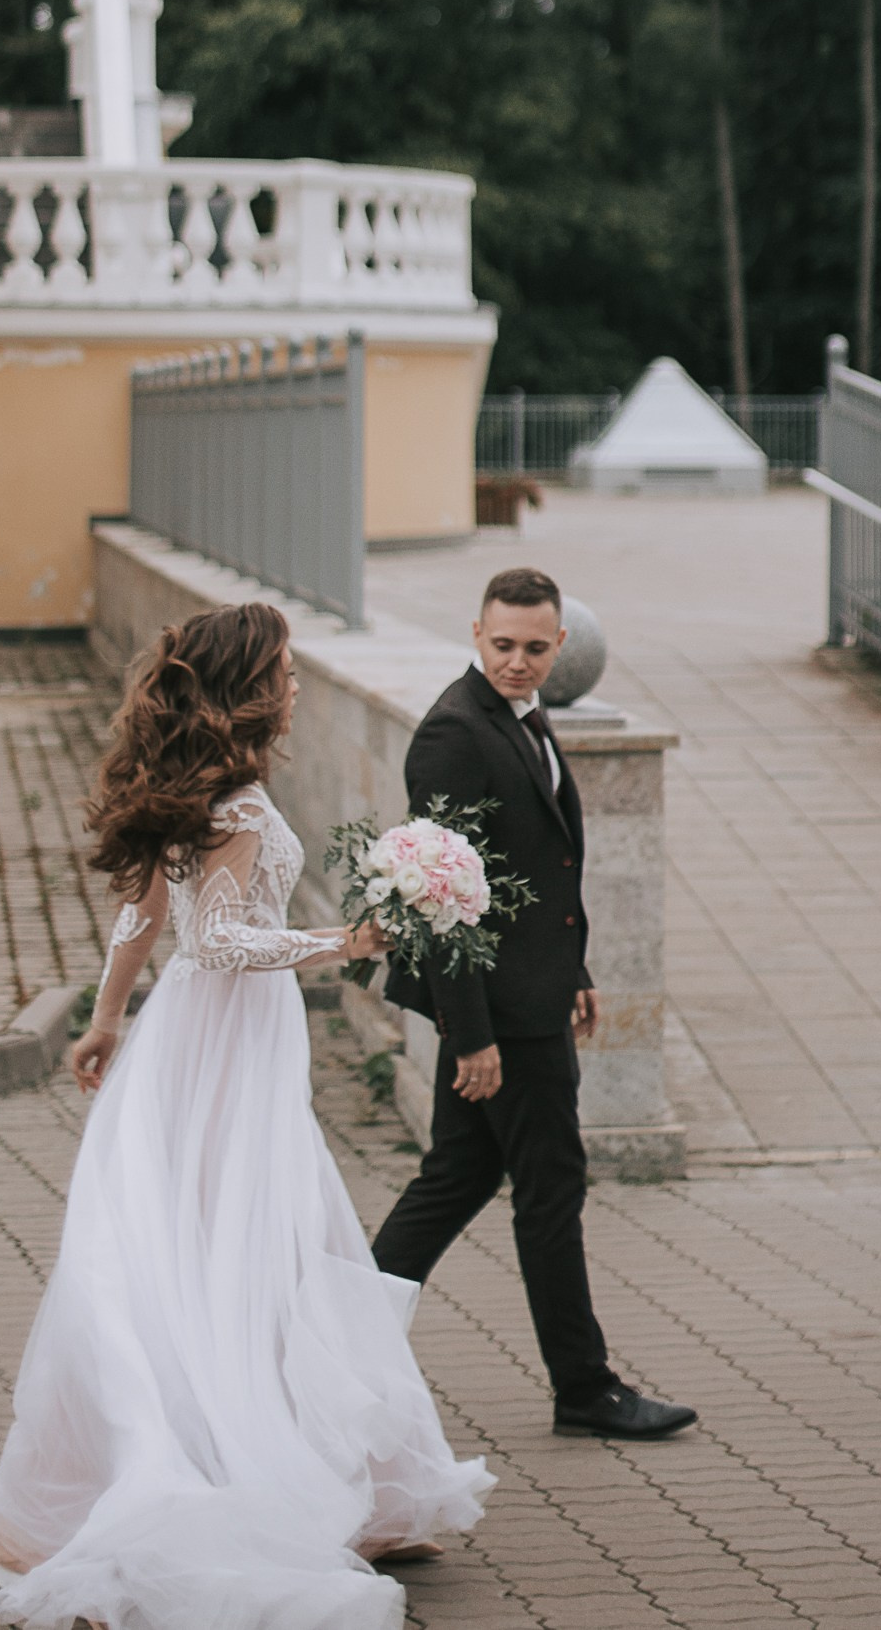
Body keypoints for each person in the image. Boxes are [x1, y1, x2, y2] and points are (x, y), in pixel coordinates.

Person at [0, 602, 490, 1630]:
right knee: (241, 1244)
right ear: (249, 687)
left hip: (195, 1039)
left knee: (211, 1241)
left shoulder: (194, 788)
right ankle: (230, 1479)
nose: (297, 685)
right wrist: (344, 942)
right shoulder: (239, 804)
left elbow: (143, 912)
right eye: (287, 671)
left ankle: (312, 1470)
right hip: (225, 1041)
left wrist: (111, 1013)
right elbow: (216, 942)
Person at [370, 566, 697, 1441]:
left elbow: (536, 868)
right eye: (504, 645)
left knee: (456, 1178)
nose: (519, 662)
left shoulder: (519, 714)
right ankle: (584, 1389)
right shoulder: (451, 733)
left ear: (561, 644)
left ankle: (338, 1342)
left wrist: (576, 968)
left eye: (535, 648)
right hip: (502, 1020)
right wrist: (474, 1037)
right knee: (551, 1188)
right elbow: (433, 899)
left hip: (530, 995)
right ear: (476, 634)